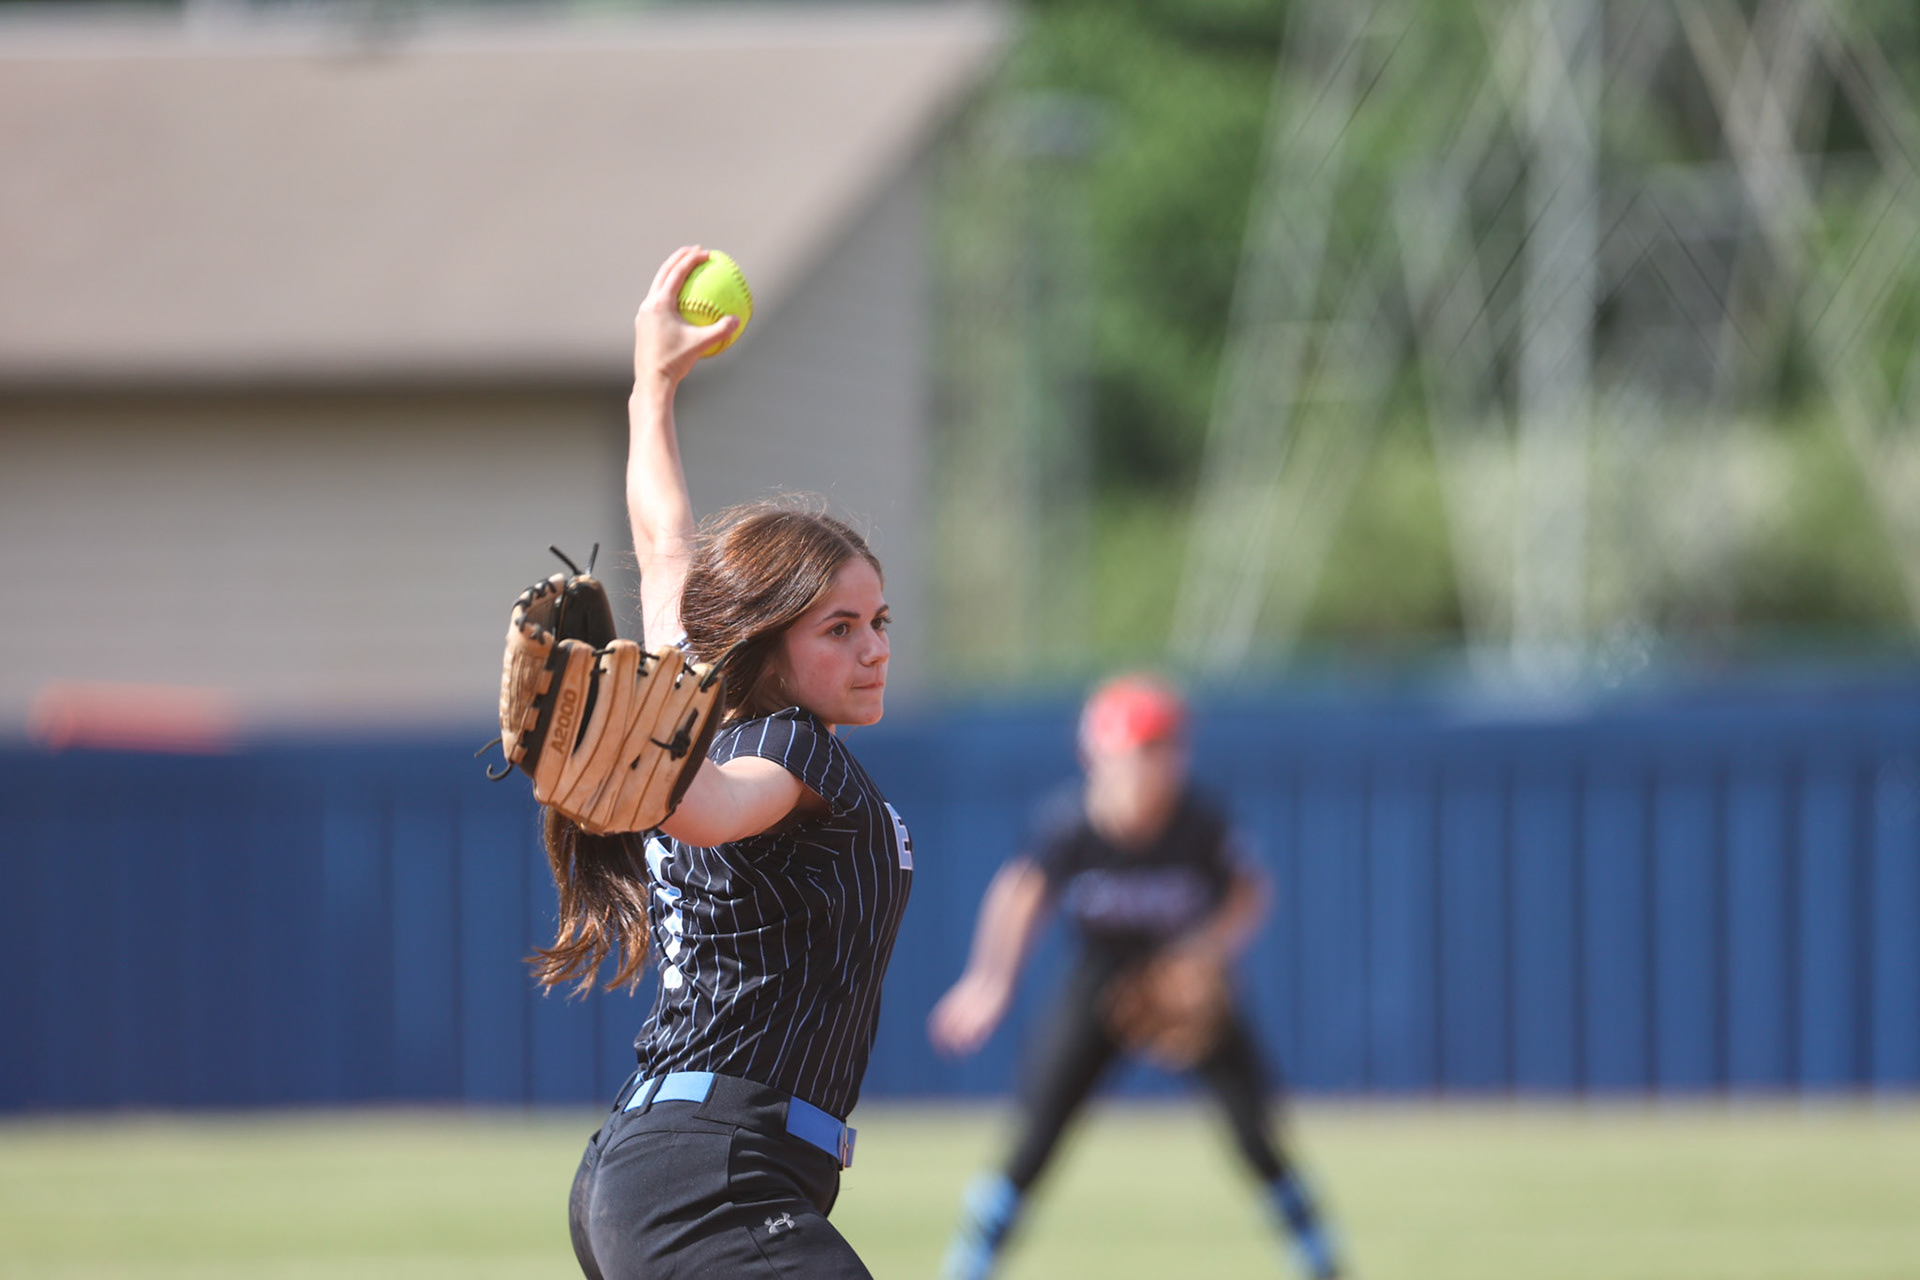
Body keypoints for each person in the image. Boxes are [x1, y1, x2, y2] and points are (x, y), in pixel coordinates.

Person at [558, 246, 913, 1280]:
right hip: (712, 1175)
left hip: (671, 1167)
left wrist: (651, 386)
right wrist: (631, 763)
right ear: (768, 642)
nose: (874, 645)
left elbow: (665, 545)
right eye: (838, 626)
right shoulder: (783, 748)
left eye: (880, 618)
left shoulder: (698, 709)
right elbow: (709, 807)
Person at [927, 674, 1343, 1280]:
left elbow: (1250, 892)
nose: (1155, 765)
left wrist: (1206, 950)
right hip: (1098, 982)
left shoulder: (1199, 821)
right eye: (1139, 751)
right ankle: (973, 1259)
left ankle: (1318, 1255)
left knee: (1255, 1130)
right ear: (1096, 755)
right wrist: (989, 982)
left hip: (1186, 976)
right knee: (1039, 1129)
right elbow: (1021, 895)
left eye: (1167, 748)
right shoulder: (1071, 825)